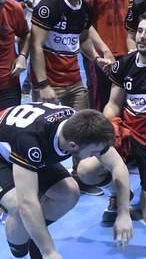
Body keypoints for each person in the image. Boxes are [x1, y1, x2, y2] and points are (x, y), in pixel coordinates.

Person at [78, 12, 146, 224]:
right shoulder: (123, 65)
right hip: (128, 135)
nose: (142, 37)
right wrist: (107, 128)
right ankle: (117, 193)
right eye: (141, 31)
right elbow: (114, 104)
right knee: (86, 169)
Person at [0, 104, 133, 259]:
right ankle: (20, 253)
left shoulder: (81, 127)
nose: (98, 155)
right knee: (18, 206)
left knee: (69, 193)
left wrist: (123, 213)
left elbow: (118, 165)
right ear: (72, 145)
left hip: (23, 143)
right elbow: (27, 203)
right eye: (94, 152)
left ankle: (32, 236)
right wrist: (49, 252)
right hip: (7, 152)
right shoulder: (32, 142)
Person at [30, 0, 112, 111]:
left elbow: (83, 40)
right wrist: (43, 85)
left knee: (80, 129)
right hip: (49, 84)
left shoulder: (86, 9)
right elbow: (36, 47)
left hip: (74, 81)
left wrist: (96, 58)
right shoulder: (48, 7)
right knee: (48, 131)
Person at [83, 0, 133, 111]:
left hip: (128, 54)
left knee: (127, 105)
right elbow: (85, 24)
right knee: (102, 105)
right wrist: (104, 51)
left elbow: (133, 19)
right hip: (104, 58)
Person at [0, 0, 29, 110]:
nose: (2, 1)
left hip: (8, 87)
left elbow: (25, 34)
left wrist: (23, 56)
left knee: (6, 131)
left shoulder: (13, 9)